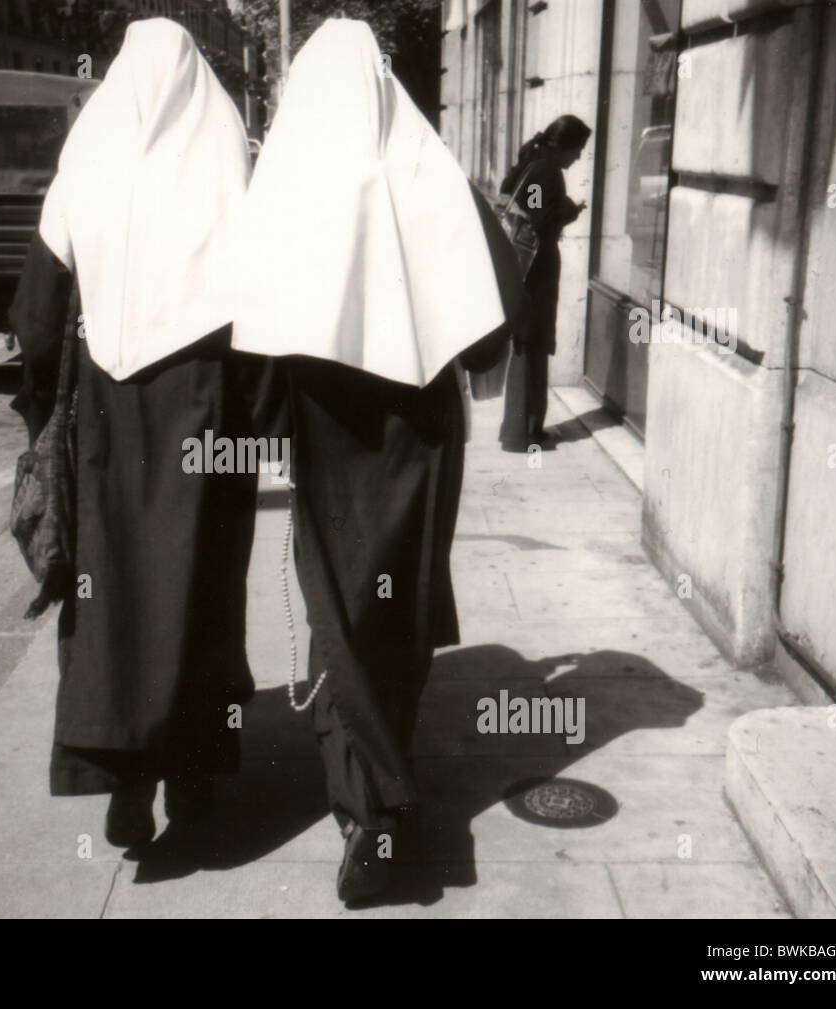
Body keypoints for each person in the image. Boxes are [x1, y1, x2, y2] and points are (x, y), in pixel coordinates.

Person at [231, 19, 522, 903]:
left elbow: (253, 333)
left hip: (331, 432)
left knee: (339, 612)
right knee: (398, 608)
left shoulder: (288, 178)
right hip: (424, 433)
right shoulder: (432, 170)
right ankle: (381, 803)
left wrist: (260, 428)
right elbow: (494, 307)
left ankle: (377, 813)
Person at [7, 18, 259, 848]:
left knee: (109, 593)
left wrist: (45, 402)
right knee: (199, 589)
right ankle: (192, 777)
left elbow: (36, 322)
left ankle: (122, 781)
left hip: (106, 424)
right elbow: (261, 310)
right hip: (205, 417)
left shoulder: (92, 151)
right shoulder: (224, 152)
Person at [497, 114, 591, 451]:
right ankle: (520, 431)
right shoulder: (544, 170)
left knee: (532, 342)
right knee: (531, 342)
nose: (578, 157)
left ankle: (527, 427)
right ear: (563, 146)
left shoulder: (535, 164)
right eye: (577, 150)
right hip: (536, 269)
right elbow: (539, 215)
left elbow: (516, 195)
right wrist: (569, 210)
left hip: (533, 267)